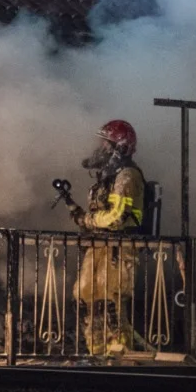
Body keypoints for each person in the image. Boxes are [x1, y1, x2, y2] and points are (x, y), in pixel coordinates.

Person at [70, 119, 146, 356]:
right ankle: (98, 355)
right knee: (85, 297)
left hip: (119, 248)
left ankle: (121, 356)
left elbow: (117, 217)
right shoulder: (107, 178)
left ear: (120, 147)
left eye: (106, 144)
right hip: (100, 246)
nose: (100, 148)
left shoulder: (127, 176)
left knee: (110, 302)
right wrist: (82, 217)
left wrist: (88, 221)